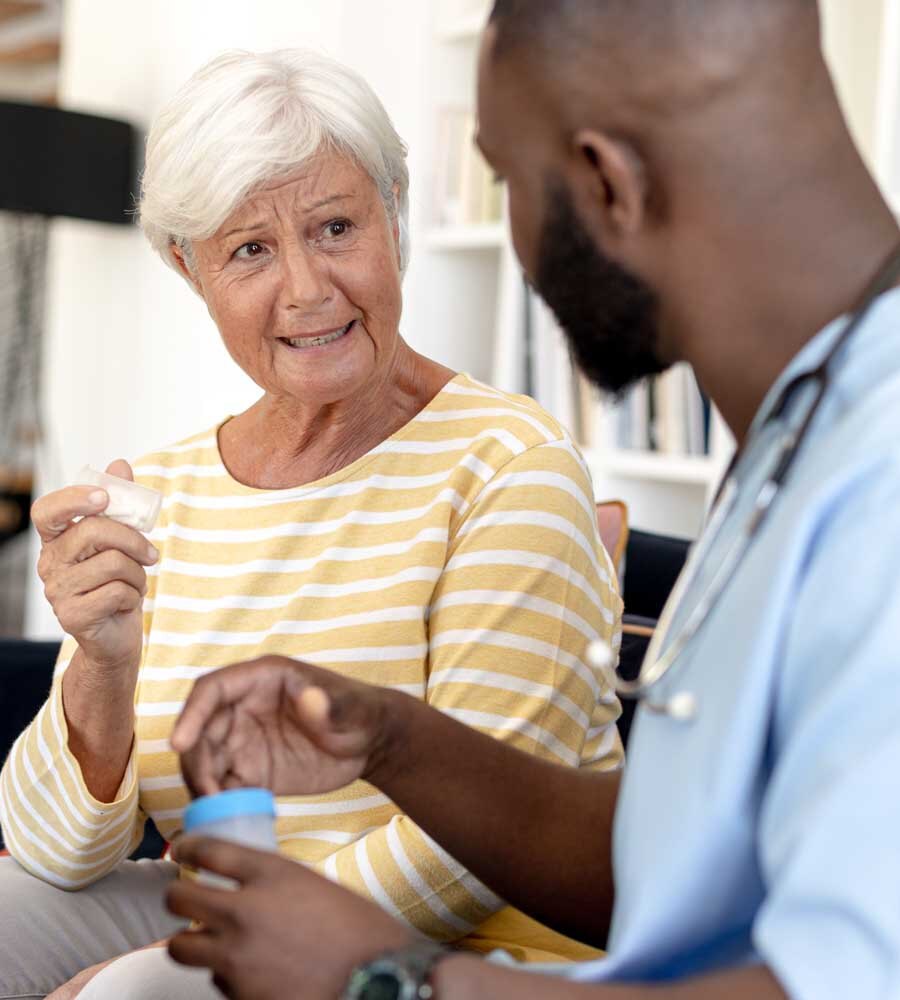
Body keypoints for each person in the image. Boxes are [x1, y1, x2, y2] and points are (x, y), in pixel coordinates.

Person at [160, 1, 900, 998]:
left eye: (505, 176)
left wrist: (387, 979)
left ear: (605, 184)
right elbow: (678, 859)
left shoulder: (879, 480)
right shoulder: (812, 426)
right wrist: (389, 736)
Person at [0, 48, 624, 1000]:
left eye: (336, 227)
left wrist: (177, 959)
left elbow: (476, 853)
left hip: (470, 955)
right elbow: (53, 853)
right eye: (250, 249)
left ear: (395, 214)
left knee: (132, 994)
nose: (306, 288)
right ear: (187, 267)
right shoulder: (164, 489)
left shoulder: (508, 465)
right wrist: (103, 660)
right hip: (221, 912)